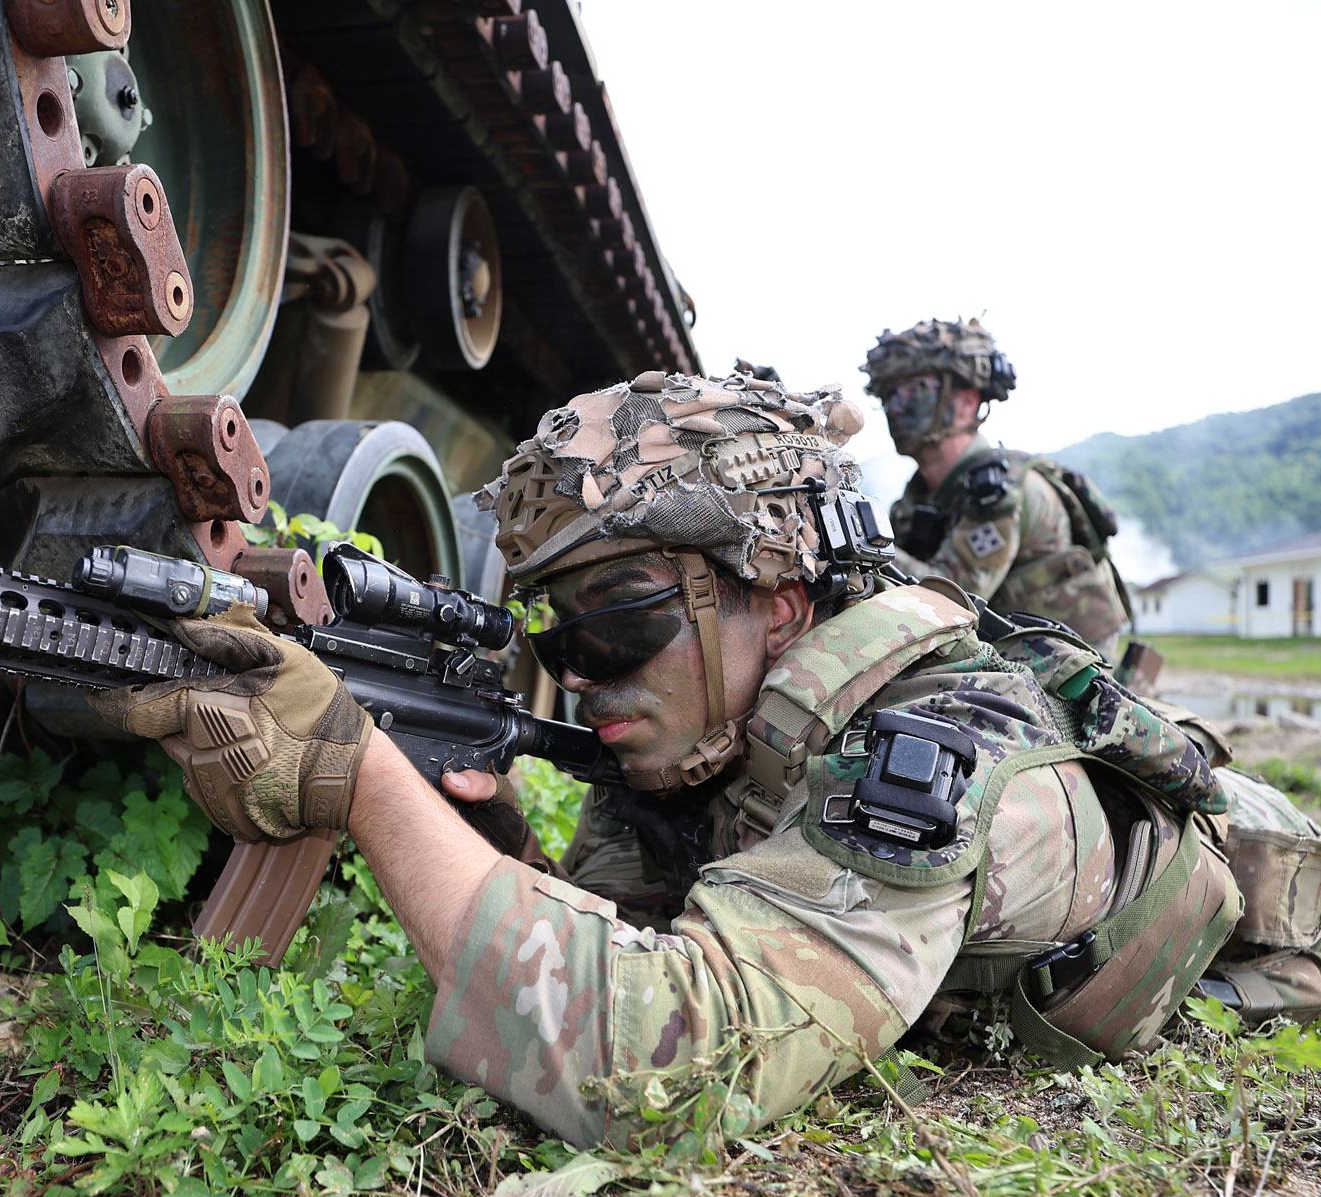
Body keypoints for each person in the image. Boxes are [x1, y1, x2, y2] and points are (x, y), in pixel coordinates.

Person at [96, 370, 1314, 1149]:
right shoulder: (717, 741)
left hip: (1277, 940)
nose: (579, 669)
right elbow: (630, 934)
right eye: (552, 632)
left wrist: (364, 786)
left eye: (617, 621)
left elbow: (653, 1069)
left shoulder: (925, 753)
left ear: (776, 596)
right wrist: (496, 842)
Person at [867, 319, 1133, 657]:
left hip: (1062, 673)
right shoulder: (920, 496)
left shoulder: (999, 490)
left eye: (912, 390)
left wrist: (865, 544)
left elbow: (952, 600)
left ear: (965, 402)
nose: (895, 407)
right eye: (887, 395)